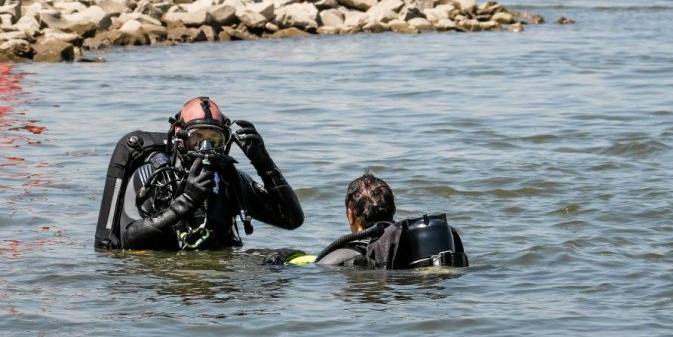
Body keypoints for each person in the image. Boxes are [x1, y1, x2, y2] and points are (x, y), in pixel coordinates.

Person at [105, 96, 303, 251]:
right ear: (179, 135)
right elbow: (129, 239)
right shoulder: (150, 175)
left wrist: (263, 162)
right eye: (197, 137)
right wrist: (186, 202)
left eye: (214, 138)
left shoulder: (229, 179)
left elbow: (291, 220)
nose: (206, 147)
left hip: (219, 287)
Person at [265, 172, 468, 268]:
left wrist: (278, 259)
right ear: (393, 210)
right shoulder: (412, 241)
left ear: (350, 214)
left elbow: (317, 269)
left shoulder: (343, 256)